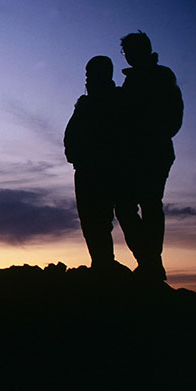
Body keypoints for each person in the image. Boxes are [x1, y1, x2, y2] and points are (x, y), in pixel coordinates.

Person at [114, 31, 183, 281]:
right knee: (126, 206)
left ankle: (150, 263)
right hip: (132, 155)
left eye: (132, 50)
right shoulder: (131, 81)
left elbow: (174, 116)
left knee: (149, 204)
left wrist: (150, 135)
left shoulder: (161, 76)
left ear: (144, 49)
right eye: (126, 52)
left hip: (154, 152)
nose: (128, 56)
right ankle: (148, 261)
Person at [64, 56, 123, 272]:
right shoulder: (84, 103)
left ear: (106, 74)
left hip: (109, 168)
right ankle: (101, 262)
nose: (88, 78)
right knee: (89, 218)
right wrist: (73, 154)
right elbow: (71, 133)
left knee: (112, 216)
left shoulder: (118, 99)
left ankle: (146, 264)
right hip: (84, 169)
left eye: (93, 73)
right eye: (87, 74)